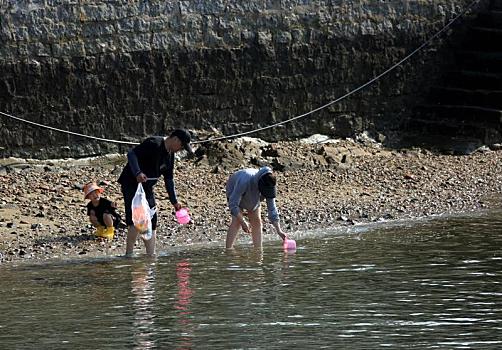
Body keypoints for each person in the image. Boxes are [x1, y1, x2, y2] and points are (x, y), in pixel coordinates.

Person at [118, 129, 194, 257]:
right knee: (137, 219)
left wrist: (174, 201)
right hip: (131, 184)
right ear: (175, 139)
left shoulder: (170, 155)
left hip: (147, 188)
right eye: (181, 146)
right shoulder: (154, 143)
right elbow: (131, 154)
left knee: (152, 219)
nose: (180, 150)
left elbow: (169, 179)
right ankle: (129, 255)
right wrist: (137, 173)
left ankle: (151, 256)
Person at [225, 166, 287, 249]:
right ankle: (228, 250)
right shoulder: (244, 181)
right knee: (237, 222)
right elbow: (233, 204)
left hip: (253, 194)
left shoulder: (269, 184)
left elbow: (272, 208)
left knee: (257, 221)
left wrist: (279, 230)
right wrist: (243, 221)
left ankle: (258, 251)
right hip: (234, 190)